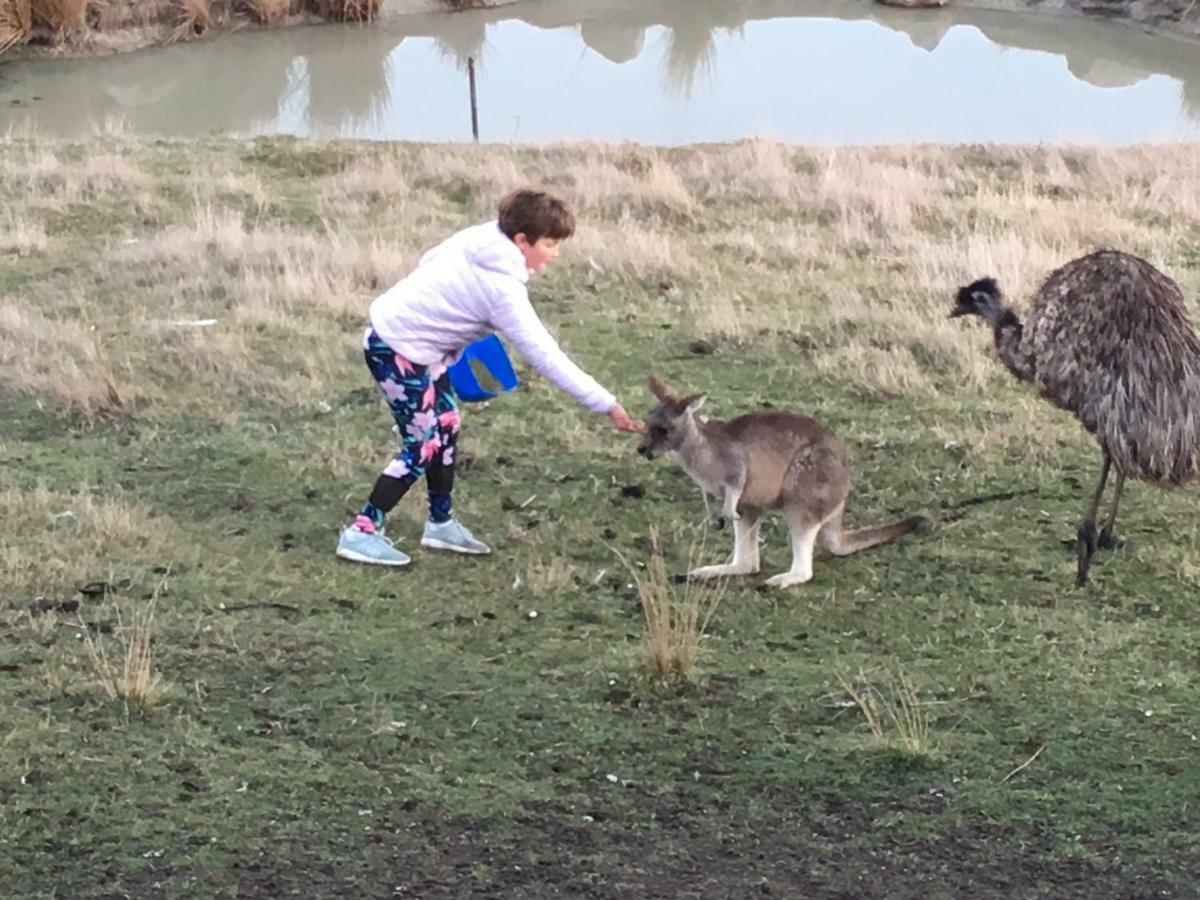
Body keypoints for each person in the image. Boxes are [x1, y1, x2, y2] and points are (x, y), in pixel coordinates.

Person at [336, 188, 644, 567]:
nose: (555, 253)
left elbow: (430, 258)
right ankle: (361, 532)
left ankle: (440, 524)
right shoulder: (503, 291)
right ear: (521, 240)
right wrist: (606, 404)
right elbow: (547, 357)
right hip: (396, 350)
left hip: (423, 352)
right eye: (549, 244)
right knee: (424, 443)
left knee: (447, 423)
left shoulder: (482, 236)